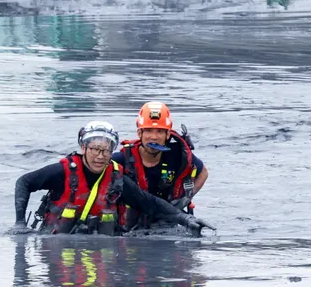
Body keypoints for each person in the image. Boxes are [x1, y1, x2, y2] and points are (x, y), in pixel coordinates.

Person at [11, 121, 214, 236]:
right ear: (83, 148)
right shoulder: (62, 172)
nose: (100, 156)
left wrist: (186, 219)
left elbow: (149, 202)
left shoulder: (117, 180)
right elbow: (24, 182)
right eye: (95, 150)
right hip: (54, 244)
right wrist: (20, 223)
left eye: (106, 151)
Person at [113, 101, 208, 230]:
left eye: (160, 131)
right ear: (139, 133)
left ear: (168, 135)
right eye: (148, 131)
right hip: (132, 225)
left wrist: (185, 199)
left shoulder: (178, 155)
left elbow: (203, 173)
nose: (154, 137)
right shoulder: (121, 159)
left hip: (168, 220)